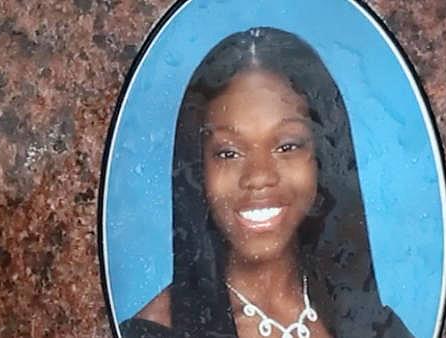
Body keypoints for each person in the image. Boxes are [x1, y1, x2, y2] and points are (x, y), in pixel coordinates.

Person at [120, 27, 413, 338]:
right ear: (196, 166)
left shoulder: (373, 324)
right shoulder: (154, 331)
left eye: (287, 146)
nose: (258, 176)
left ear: (322, 160)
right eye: (229, 152)